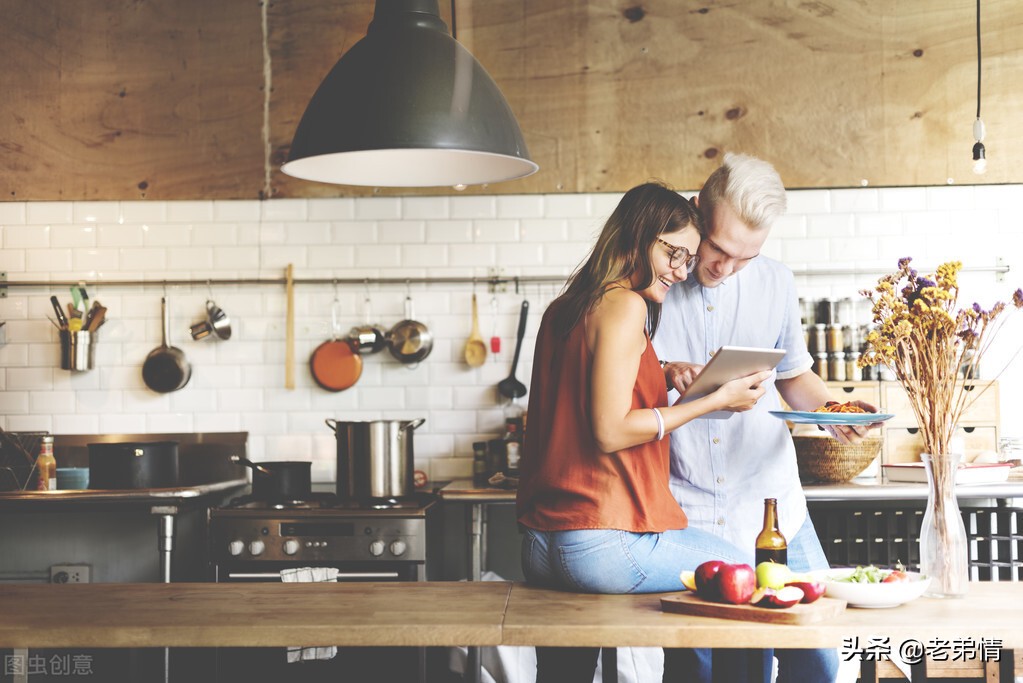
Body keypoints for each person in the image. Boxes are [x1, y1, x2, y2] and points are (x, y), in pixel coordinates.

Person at [515, 181, 775, 683]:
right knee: (744, 574)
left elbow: (593, 389)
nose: (682, 271)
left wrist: (666, 371)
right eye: (673, 253)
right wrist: (713, 400)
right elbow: (611, 430)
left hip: (541, 545)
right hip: (599, 541)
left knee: (566, 669)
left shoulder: (565, 307)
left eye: (688, 257)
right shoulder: (626, 304)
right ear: (636, 237)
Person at [653, 152, 875, 683]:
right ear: (695, 213)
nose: (724, 268)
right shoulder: (652, 284)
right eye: (718, 249)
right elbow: (622, 380)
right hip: (685, 512)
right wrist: (666, 370)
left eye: (745, 258)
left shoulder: (776, 282)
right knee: (698, 669)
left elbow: (795, 378)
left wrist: (834, 413)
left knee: (817, 658)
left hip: (773, 507)